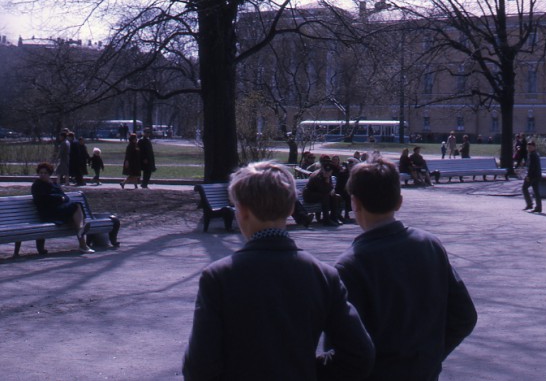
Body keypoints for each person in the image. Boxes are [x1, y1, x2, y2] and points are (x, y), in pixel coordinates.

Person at [182, 161, 375, 380]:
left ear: (242, 211)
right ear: (291, 208)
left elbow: (199, 367)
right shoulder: (322, 275)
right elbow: (359, 354)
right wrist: (308, 370)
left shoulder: (219, 277)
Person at [324, 158, 477, 380]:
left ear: (354, 203)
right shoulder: (430, 245)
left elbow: (345, 350)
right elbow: (464, 316)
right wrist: (429, 357)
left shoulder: (350, 266)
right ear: (399, 202)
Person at [31, 162, 94, 253]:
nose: (43, 175)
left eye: (45, 173)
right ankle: (82, 237)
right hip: (48, 213)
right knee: (76, 207)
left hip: (58, 210)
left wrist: (60, 198)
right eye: (41, 173)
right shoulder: (37, 185)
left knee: (77, 206)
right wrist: (59, 198)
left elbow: (65, 197)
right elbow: (43, 199)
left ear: (49, 174)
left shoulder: (54, 184)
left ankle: (82, 237)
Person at [303, 155, 342, 226]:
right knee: (325, 197)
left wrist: (332, 191)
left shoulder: (328, 174)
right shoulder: (317, 176)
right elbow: (323, 190)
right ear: (322, 169)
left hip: (320, 194)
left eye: (329, 171)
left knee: (336, 196)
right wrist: (327, 183)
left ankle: (334, 217)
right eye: (326, 170)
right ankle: (326, 220)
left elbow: (330, 188)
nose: (328, 172)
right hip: (309, 195)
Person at [522, 140, 542, 213]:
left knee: (524, 188)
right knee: (536, 191)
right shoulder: (535, 154)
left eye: (530, 147)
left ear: (534, 147)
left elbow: (531, 167)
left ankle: (529, 204)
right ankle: (538, 207)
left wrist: (528, 176)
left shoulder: (532, 155)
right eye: (528, 147)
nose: (529, 148)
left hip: (532, 176)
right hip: (537, 175)